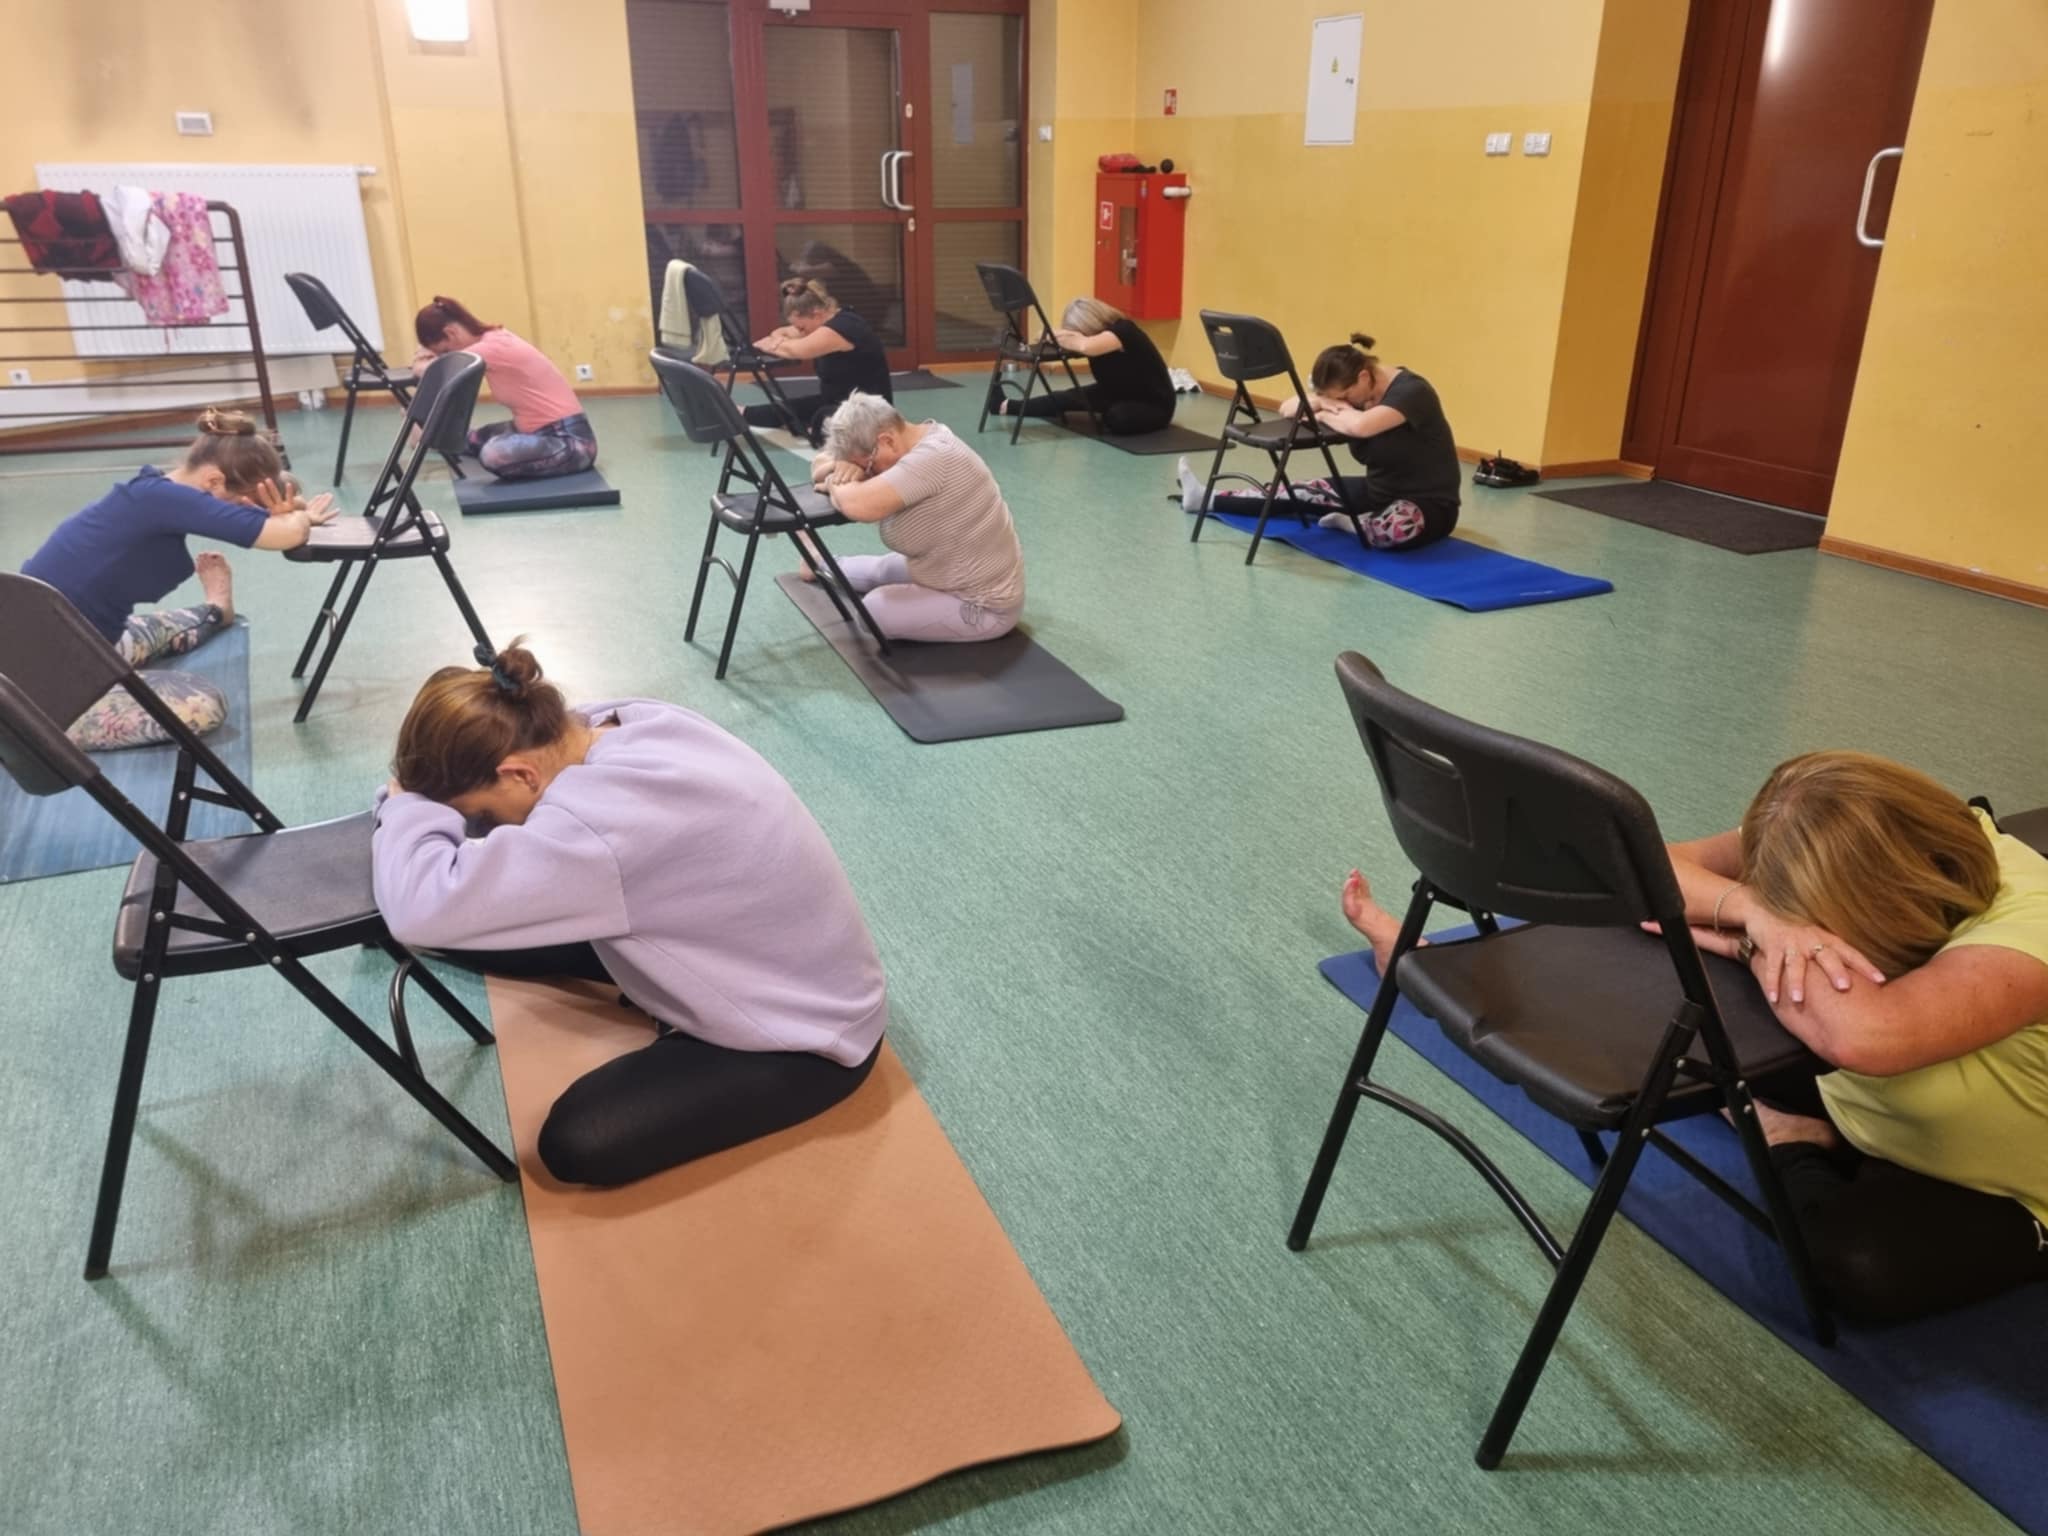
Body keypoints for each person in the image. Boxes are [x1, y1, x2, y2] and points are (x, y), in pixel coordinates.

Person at [1340, 751, 2048, 1326]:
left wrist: (1743, 940)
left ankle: (1784, 1134)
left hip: (2008, 1183)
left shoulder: (2031, 922)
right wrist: (1754, 911)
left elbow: (1867, 1035)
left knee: (1853, 1267)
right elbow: (1644, 871)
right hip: (1893, 1094)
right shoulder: (1863, 828)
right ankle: (1428, 964)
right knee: (1671, 990)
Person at [371, 646, 890, 1187]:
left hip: (807, 1035)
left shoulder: (596, 826)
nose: (482, 828)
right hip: (762, 951)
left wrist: (403, 805)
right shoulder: (619, 720)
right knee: (475, 927)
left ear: (520, 774)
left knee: (576, 1142)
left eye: (481, 815)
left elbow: (414, 911)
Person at [20, 409, 337, 750]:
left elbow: (258, 515)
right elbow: (284, 536)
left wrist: (287, 513)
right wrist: (300, 518)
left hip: (56, 640)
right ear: (214, 481)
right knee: (205, 707)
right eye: (236, 501)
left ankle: (215, 609)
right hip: (46, 688)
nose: (237, 509)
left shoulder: (156, 491)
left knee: (152, 630)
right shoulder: (166, 500)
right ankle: (28, 726)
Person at [1178, 331, 1461, 552]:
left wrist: (1327, 411)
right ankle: (1206, 498)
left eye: (1344, 398)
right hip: (1377, 492)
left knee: (1395, 529)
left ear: (1363, 377)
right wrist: (1322, 403)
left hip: (1430, 505)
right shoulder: (1354, 393)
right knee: (1301, 492)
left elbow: (1361, 426)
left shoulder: (1412, 392)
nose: (1343, 404)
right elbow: (1287, 407)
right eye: (1335, 399)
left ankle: (1355, 524)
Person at [802, 391, 1025, 643]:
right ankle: (817, 563)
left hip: (983, 605)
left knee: (872, 611)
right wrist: (842, 466)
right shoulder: (919, 438)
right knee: (881, 570)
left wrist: (835, 482)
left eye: (868, 465)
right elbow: (818, 464)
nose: (868, 473)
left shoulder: (934, 457)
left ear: (887, 440)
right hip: (938, 569)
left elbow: (858, 506)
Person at [412, 296, 596, 480]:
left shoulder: (491, 347)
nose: (447, 355)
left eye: (445, 351)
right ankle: (430, 437)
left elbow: (432, 371)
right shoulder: (493, 338)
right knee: (470, 439)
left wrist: (420, 360)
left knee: (493, 454)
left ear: (451, 333)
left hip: (570, 442)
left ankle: (430, 436)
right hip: (531, 431)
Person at [987, 296, 1176, 437]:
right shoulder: (1093, 336)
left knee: (1117, 418)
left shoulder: (1124, 330)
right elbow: (1041, 334)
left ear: (1089, 324)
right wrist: (1063, 336)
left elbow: (1086, 346)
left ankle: (1119, 412)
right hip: (1116, 392)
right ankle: (1004, 406)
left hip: (1154, 404)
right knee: (1064, 397)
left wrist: (1069, 338)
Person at [744, 278, 892, 448]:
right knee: (790, 409)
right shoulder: (823, 322)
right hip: (837, 400)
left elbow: (798, 350)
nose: (800, 332)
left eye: (802, 327)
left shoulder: (843, 327)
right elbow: (782, 332)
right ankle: (741, 412)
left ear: (817, 313)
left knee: (820, 417)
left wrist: (771, 345)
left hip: (867, 410)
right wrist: (777, 339)